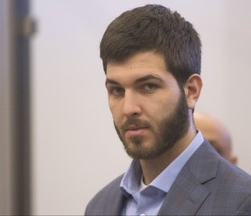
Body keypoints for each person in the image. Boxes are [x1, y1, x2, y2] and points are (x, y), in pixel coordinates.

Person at [85, 4, 251, 215]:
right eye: (117, 90)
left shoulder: (241, 202)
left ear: (191, 91)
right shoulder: (100, 206)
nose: (128, 108)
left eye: (148, 86)